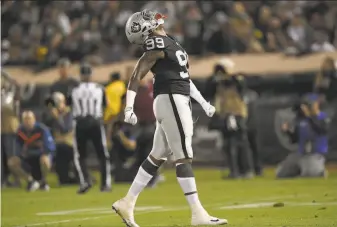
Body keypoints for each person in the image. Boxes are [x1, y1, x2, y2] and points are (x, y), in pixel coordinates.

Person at [112, 10, 227, 226]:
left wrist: (202, 102)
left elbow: (184, 77)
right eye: (149, 19)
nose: (155, 18)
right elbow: (137, 75)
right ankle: (198, 214)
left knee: (158, 155)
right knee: (183, 157)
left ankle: (127, 202)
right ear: (145, 28)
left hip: (175, 98)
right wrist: (129, 108)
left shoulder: (169, 42)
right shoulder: (156, 43)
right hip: (172, 99)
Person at [69, 63, 111, 194]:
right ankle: (105, 184)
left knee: (80, 155)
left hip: (80, 122)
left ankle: (85, 181)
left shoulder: (74, 89)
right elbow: (105, 105)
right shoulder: (100, 88)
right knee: (102, 154)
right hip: (95, 122)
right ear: (91, 75)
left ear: (81, 75)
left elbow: (68, 105)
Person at [277, 94, 329, 178]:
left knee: (310, 174)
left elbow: (321, 130)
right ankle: (300, 170)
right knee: (281, 173)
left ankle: (319, 171)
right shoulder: (300, 120)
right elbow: (295, 140)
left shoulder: (322, 117)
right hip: (300, 154)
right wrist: (287, 132)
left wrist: (309, 116)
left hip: (315, 154)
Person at [14, 111, 55, 191]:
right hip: (27, 157)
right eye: (25, 119)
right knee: (12, 162)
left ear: (34, 119)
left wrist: (41, 151)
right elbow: (17, 147)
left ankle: (43, 182)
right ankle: (31, 181)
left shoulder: (42, 129)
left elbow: (50, 147)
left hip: (40, 156)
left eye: (29, 119)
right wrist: (21, 153)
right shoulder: (20, 131)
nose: (27, 121)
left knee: (45, 159)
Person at [46, 92, 77, 185]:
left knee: (62, 149)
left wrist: (57, 118)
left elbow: (65, 129)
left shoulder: (69, 114)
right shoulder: (51, 115)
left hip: (70, 145)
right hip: (58, 145)